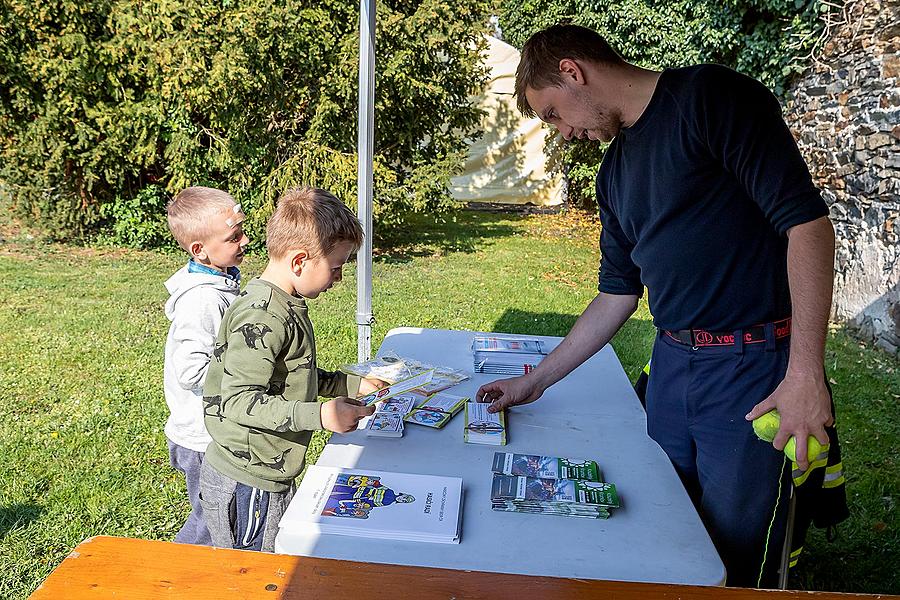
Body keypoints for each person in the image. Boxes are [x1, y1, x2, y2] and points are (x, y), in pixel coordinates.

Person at [477, 24, 836, 588]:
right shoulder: (613, 173)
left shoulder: (709, 99)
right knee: (660, 525)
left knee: (735, 550)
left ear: (573, 72)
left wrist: (806, 373)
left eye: (552, 114)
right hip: (672, 367)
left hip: (753, 371)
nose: (562, 134)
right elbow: (618, 292)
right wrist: (534, 382)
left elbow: (807, 226)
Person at [199, 186, 385, 552]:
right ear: (300, 261)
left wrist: (350, 384)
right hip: (248, 481)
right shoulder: (264, 314)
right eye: (336, 267)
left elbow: (290, 379)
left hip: (269, 471)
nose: (339, 279)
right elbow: (237, 403)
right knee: (252, 574)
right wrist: (320, 415)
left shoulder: (285, 303)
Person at [163, 186, 249, 545]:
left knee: (226, 516)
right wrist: (246, 369)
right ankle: (178, 576)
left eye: (243, 230)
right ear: (199, 250)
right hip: (204, 437)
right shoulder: (201, 300)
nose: (245, 240)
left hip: (219, 429)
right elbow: (190, 371)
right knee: (211, 522)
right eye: (234, 237)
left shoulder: (222, 282)